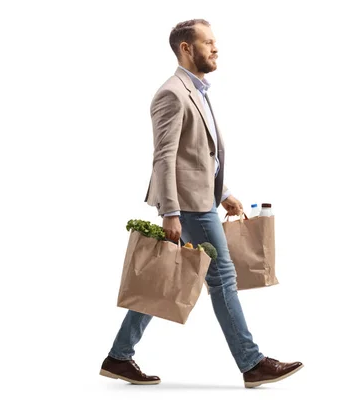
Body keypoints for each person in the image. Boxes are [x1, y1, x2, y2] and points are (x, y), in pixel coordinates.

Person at [99, 19, 303, 389]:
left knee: (170, 275)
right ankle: (251, 362)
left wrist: (223, 193)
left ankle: (119, 356)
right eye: (208, 42)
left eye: (215, 42)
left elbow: (196, 156)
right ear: (186, 49)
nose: (215, 48)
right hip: (189, 206)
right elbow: (164, 157)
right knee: (221, 277)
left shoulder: (198, 90)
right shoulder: (172, 94)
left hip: (202, 200)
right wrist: (170, 212)